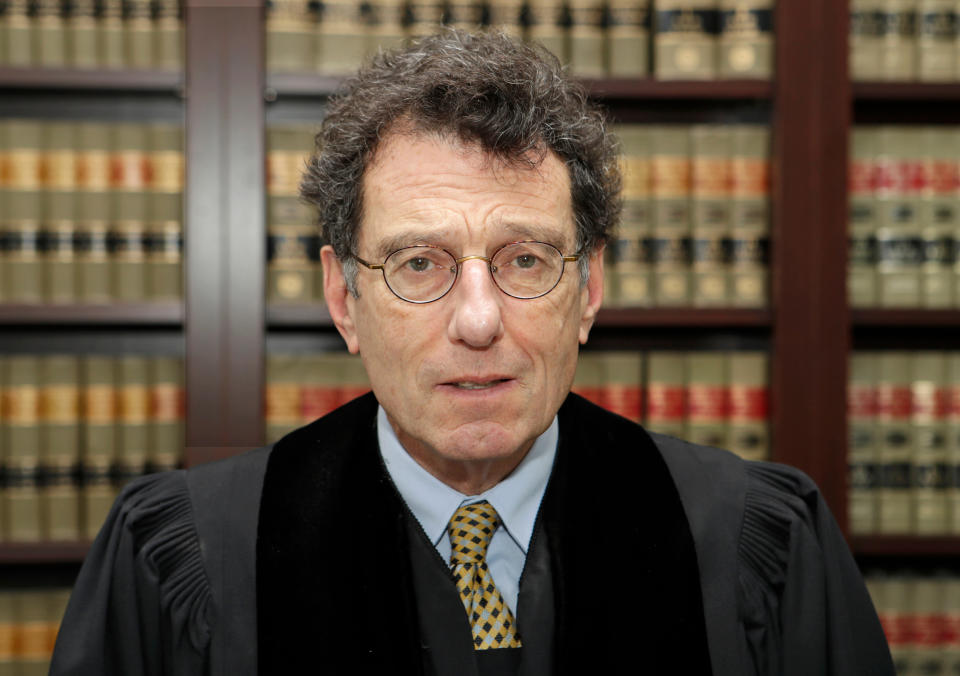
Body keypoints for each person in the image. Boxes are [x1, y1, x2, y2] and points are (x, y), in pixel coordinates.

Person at [51, 30, 894, 676]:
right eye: (420, 264)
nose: (480, 320)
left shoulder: (756, 544)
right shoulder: (192, 557)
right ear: (344, 300)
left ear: (590, 290)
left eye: (526, 259)